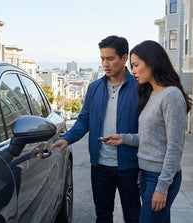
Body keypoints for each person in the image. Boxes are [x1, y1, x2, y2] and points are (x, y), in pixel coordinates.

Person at [49, 35, 141, 223]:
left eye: (110, 59)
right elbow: (84, 120)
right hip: (100, 166)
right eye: (102, 59)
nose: (105, 64)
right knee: (102, 216)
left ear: (124, 59)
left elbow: (147, 130)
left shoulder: (140, 88)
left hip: (130, 166)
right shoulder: (94, 88)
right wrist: (67, 138)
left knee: (133, 217)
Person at [103, 40, 192, 223]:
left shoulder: (171, 95)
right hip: (145, 175)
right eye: (132, 66)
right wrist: (123, 138)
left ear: (152, 62)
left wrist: (162, 186)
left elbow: (174, 147)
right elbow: (150, 138)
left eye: (136, 65)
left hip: (160, 177)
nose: (133, 71)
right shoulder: (152, 93)